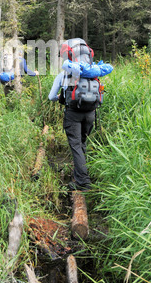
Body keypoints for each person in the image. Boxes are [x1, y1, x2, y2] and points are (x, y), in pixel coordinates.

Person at [48, 38, 113, 192]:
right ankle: (80, 173)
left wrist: (59, 98)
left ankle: (83, 182)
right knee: (82, 144)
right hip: (90, 113)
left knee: (76, 146)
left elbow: (51, 96)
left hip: (73, 114)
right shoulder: (92, 73)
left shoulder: (64, 74)